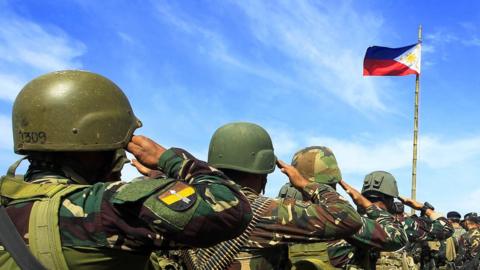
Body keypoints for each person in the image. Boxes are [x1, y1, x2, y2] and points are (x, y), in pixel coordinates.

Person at [0, 70, 252, 270]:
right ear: (96, 145)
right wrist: (170, 159)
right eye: (120, 144)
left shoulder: (7, 204)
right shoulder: (107, 208)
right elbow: (229, 208)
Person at [172, 122, 363, 270]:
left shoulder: (184, 204)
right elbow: (348, 218)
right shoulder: (267, 211)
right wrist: (307, 184)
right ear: (263, 172)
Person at [278, 147, 407, 270]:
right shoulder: (344, 222)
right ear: (333, 183)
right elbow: (398, 237)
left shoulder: (275, 217)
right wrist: (368, 205)